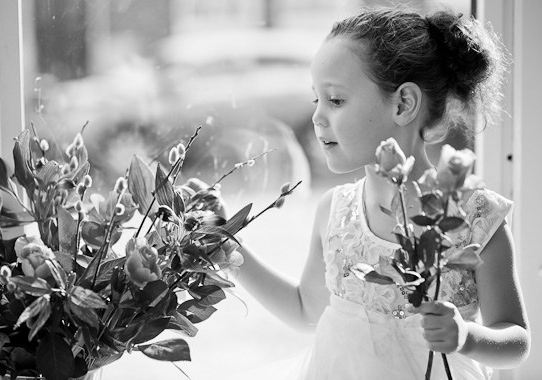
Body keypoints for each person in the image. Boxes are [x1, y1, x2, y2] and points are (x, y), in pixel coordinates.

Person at [194, 6, 531, 380]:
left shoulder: (477, 218)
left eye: (335, 100)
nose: (317, 117)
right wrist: (226, 246)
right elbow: (307, 309)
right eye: (316, 100)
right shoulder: (335, 212)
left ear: (403, 103)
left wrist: (466, 336)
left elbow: (516, 339)